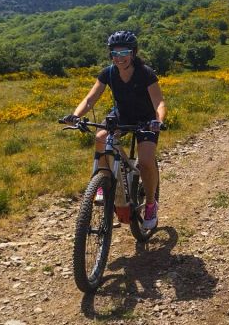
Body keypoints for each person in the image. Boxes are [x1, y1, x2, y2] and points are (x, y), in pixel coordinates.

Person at [63, 30, 166, 230]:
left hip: (146, 119)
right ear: (111, 55)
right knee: (101, 137)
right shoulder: (108, 73)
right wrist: (76, 115)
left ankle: (151, 204)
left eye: (124, 52)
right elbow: (90, 99)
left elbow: (159, 102)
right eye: (115, 54)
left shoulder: (145, 73)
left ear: (133, 53)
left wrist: (158, 120)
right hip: (122, 115)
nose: (119, 58)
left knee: (145, 163)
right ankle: (102, 183)